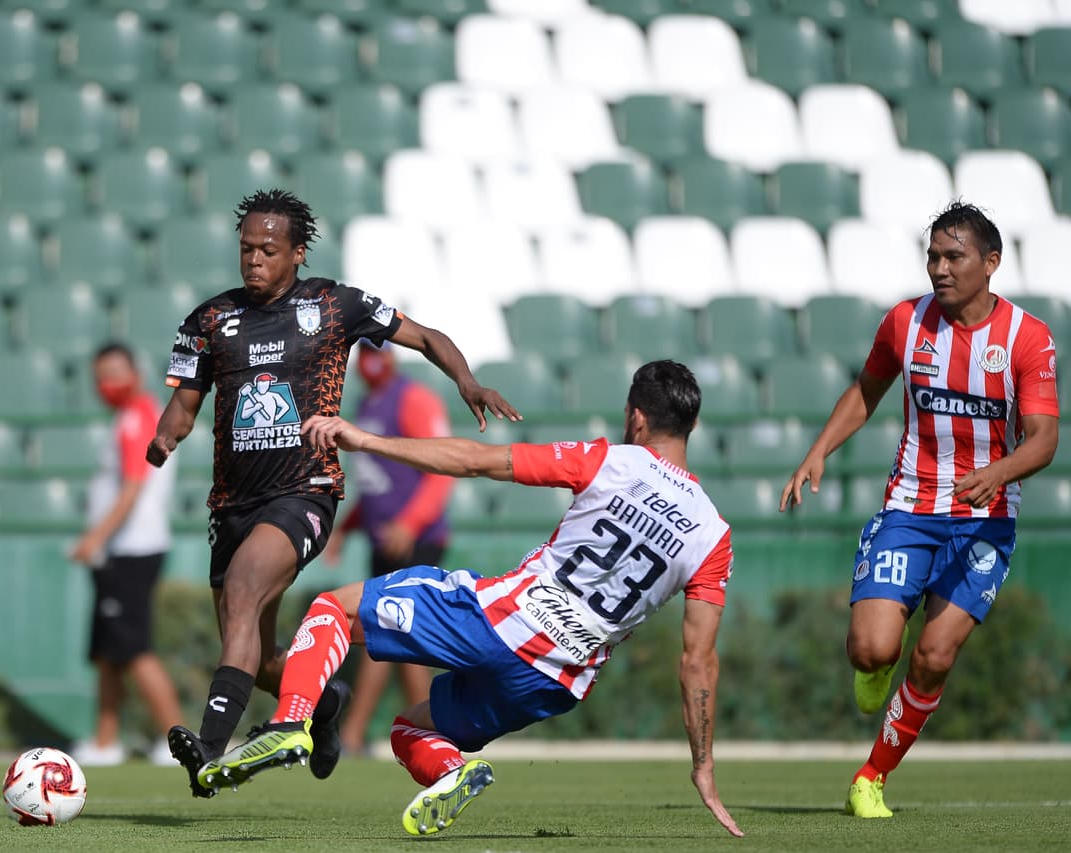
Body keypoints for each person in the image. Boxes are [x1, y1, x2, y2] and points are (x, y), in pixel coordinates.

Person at [203, 360, 744, 838]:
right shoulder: (712, 535)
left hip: (501, 622)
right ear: (692, 426)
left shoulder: (611, 461)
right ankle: (451, 772)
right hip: (555, 681)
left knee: (332, 608)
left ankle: (290, 724)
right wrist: (703, 764)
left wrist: (365, 440)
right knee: (410, 729)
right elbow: (698, 661)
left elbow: (475, 461)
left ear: (636, 418)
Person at [145, 189, 519, 799]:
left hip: (305, 492)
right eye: (246, 249)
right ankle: (323, 704)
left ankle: (211, 748)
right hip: (230, 506)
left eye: (268, 250)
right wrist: (163, 441)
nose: (254, 260)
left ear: (296, 253)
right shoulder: (209, 321)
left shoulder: (332, 304)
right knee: (257, 656)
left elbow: (423, 336)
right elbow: (182, 410)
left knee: (243, 591)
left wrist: (466, 379)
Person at [779, 202, 1060, 819]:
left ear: (990, 263)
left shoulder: (1027, 338)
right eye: (932, 255)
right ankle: (877, 661)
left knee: (934, 656)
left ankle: (871, 777)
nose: (939, 267)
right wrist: (817, 453)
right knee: (873, 650)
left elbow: (1042, 439)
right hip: (911, 505)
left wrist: (999, 472)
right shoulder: (904, 322)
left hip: (985, 517)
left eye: (953, 256)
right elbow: (865, 391)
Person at [326, 340, 452, 756]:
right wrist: (346, 528)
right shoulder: (367, 406)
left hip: (417, 540)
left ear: (393, 357)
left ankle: (416, 732)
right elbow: (376, 484)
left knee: (399, 638)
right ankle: (401, 733)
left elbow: (441, 471)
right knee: (389, 638)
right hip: (385, 540)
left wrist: (409, 523)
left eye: (378, 352)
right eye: (364, 354)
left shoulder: (413, 399)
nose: (370, 362)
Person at [69, 342, 185, 767]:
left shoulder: (138, 417)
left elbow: (133, 488)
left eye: (116, 372)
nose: (108, 383)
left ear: (135, 371)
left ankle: (177, 741)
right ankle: (105, 740)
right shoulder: (129, 418)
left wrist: (95, 538)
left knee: (135, 649)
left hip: (131, 549)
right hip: (121, 550)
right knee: (108, 653)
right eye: (101, 375)